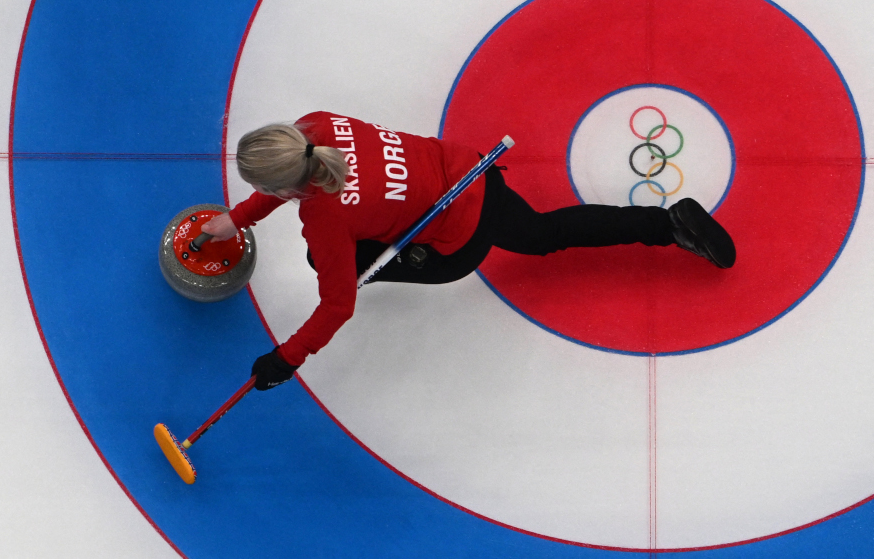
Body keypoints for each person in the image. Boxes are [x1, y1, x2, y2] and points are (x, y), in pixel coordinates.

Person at [201, 111, 736, 390]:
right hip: (471, 176)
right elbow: (297, 179)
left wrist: (285, 358)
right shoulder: (316, 126)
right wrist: (240, 217)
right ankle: (667, 224)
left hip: (456, 240)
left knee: (328, 262)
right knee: (542, 234)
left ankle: (665, 228)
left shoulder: (324, 218)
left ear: (288, 187)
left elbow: (338, 304)